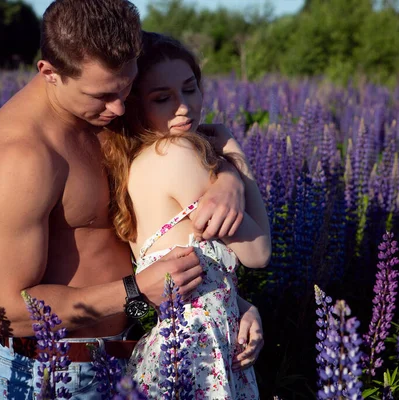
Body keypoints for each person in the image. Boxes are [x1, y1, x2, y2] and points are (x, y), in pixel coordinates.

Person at [0, 1, 263, 398]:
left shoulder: (103, 110)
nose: (120, 107)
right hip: (59, 374)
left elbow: (188, 157)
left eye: (127, 86)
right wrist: (135, 291)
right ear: (49, 72)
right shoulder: (21, 156)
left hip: (138, 351)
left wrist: (226, 179)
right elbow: (6, 313)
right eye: (104, 95)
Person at [102, 31, 271, 398]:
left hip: (175, 350)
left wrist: (243, 306)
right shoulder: (176, 153)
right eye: (162, 98)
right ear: (134, 106)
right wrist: (234, 155)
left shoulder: (133, 165)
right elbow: (258, 253)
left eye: (190, 89)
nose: (184, 107)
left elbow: (199, 277)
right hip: (196, 351)